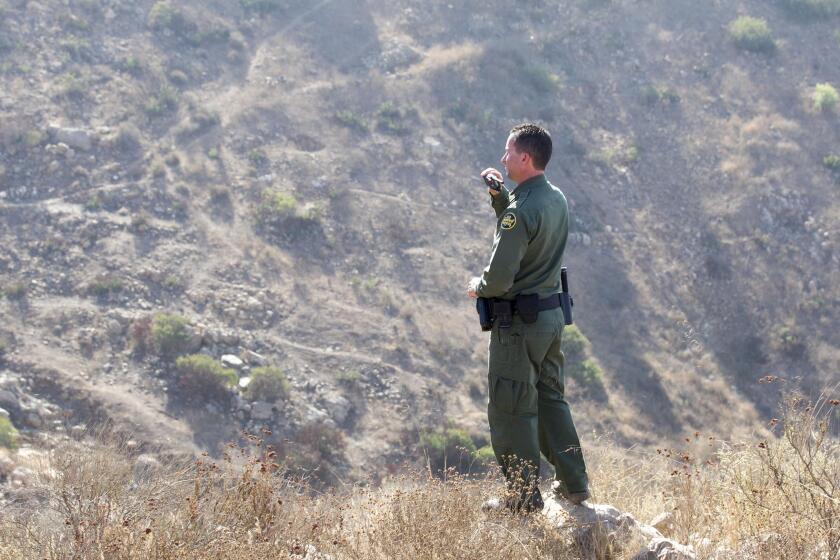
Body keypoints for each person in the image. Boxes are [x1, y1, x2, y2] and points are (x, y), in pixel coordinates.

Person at [467, 123, 589, 512]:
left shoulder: (519, 213)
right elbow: (529, 227)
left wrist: (478, 286)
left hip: (518, 326)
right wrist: (499, 196)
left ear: (524, 157)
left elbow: (500, 276)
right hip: (551, 319)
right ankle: (575, 483)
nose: (502, 159)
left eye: (508, 153)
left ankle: (522, 499)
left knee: (512, 408)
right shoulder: (555, 199)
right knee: (552, 400)